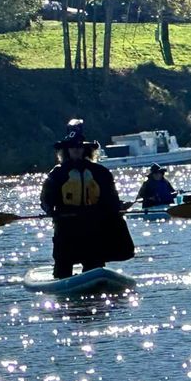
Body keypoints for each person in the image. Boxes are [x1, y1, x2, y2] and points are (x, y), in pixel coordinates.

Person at [40, 119, 135, 279]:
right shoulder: (57, 174)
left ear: (85, 149)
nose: (76, 150)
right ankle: (64, 288)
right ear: (66, 150)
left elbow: (111, 197)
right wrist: (50, 210)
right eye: (72, 147)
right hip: (66, 227)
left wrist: (117, 207)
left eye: (79, 147)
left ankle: (96, 294)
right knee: (63, 265)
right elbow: (46, 199)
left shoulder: (100, 172)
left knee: (94, 263)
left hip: (94, 226)